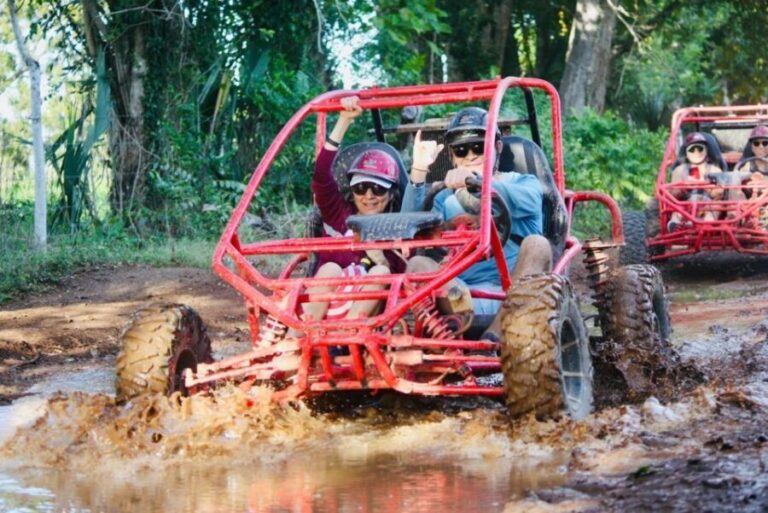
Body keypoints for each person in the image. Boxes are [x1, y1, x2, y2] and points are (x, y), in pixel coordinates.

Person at [401, 106, 552, 340]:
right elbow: (407, 231)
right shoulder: (443, 195)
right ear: (452, 156)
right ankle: (452, 342)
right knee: (419, 264)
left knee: (537, 245)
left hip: (515, 292)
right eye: (461, 150)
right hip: (460, 296)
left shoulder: (523, 182)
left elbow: (531, 202)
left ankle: (492, 340)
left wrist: (476, 183)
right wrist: (419, 169)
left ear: (497, 147)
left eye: (479, 147)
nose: (470, 156)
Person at [303, 96, 405, 323]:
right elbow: (321, 175)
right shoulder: (340, 213)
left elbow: (404, 281)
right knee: (329, 268)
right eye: (361, 188)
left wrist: (381, 261)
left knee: (380, 273)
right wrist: (344, 120)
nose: (368, 196)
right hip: (325, 304)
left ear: (390, 193)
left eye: (378, 189)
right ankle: (295, 342)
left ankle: (342, 339)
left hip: (367, 317)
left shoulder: (398, 227)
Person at [667, 132, 723, 232]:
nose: (696, 152)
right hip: (686, 202)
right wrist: (685, 187)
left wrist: (706, 186)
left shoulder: (715, 170)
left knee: (715, 205)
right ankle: (675, 223)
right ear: (687, 153)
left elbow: (720, 194)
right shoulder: (679, 170)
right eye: (692, 149)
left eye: (700, 149)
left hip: (708, 203)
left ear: (706, 150)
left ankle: (707, 223)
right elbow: (672, 196)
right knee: (678, 206)